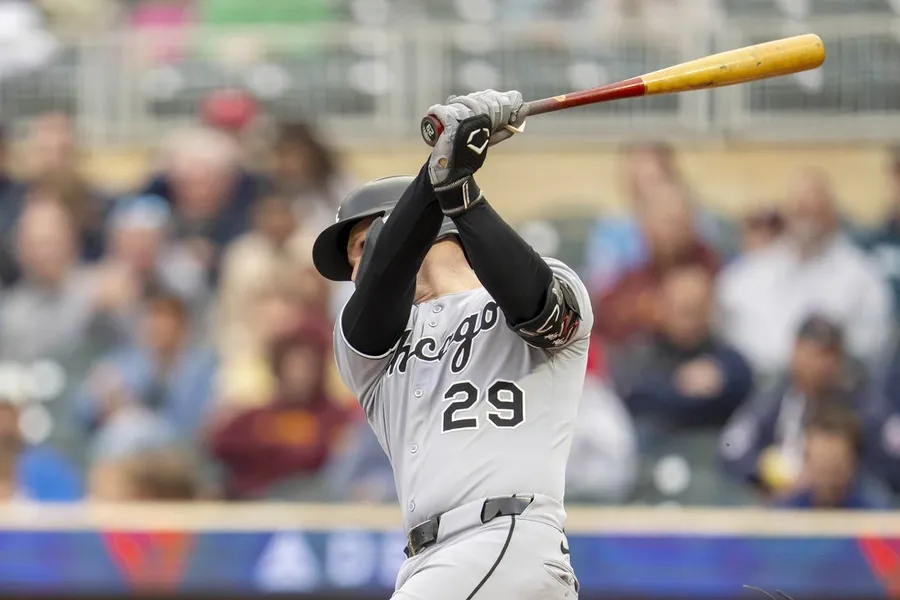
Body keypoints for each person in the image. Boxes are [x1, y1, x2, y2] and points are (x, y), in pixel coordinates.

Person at [313, 90, 589, 599]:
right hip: (429, 560)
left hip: (504, 539)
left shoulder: (547, 281)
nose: (354, 273)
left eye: (360, 248)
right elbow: (380, 290)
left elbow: (535, 303)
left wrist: (456, 187)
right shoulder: (364, 343)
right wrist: (440, 169)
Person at [771, 401, 892, 509]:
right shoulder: (788, 509)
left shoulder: (877, 510)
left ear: (853, 462)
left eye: (834, 467)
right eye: (820, 466)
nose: (827, 479)